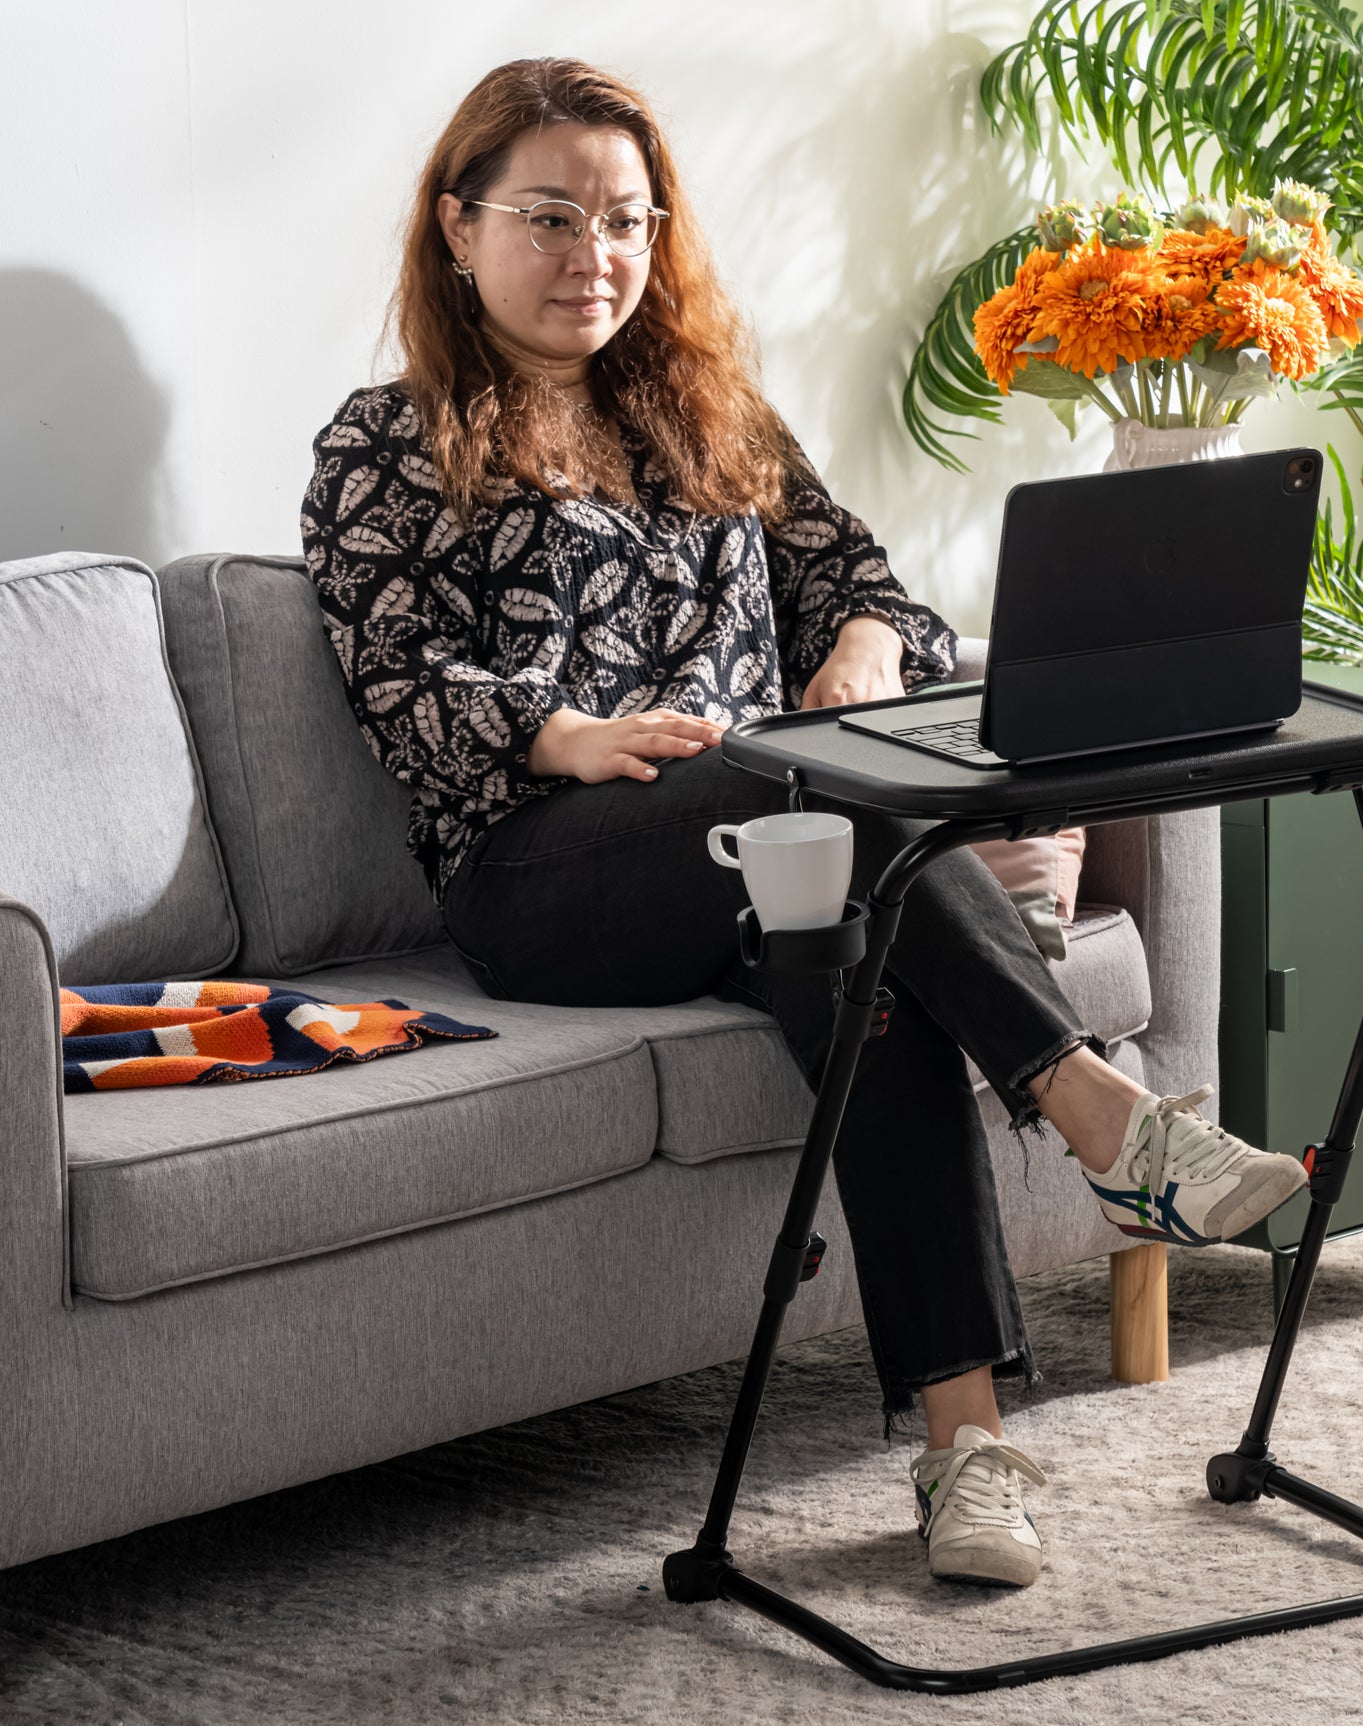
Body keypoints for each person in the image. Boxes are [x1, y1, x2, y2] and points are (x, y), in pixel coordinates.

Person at [301, 56, 1308, 1591]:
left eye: (627, 221)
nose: (594, 255)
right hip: (551, 870)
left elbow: (867, 583)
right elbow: (396, 672)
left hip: (779, 849)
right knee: (810, 791)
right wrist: (565, 734)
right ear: (458, 224)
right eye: (552, 217)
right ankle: (1107, 1115)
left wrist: (865, 652)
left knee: (866, 976)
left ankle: (966, 1452)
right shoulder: (389, 439)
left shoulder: (706, 413)